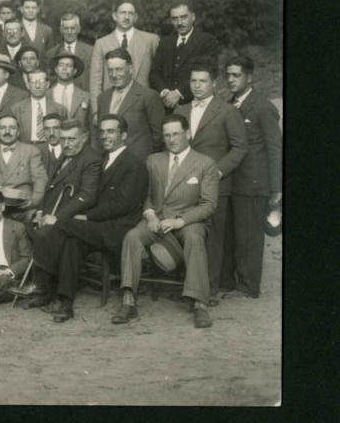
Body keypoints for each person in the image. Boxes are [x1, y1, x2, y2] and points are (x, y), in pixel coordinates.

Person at [30, 115, 147, 322]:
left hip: (118, 228)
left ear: (124, 135)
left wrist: (86, 216)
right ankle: (65, 303)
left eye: (111, 131)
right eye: (102, 132)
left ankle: (42, 283)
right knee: (71, 242)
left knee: (63, 225)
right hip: (96, 226)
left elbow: (123, 205)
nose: (105, 136)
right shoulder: (101, 158)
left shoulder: (134, 164)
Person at [115, 114, 219, 329]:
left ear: (187, 134)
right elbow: (147, 195)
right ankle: (128, 299)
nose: (171, 139)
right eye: (167, 135)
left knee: (194, 238)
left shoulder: (205, 163)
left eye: (176, 134)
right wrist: (150, 214)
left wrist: (181, 221)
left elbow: (209, 205)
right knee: (132, 236)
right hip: (158, 219)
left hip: (189, 221)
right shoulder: (153, 160)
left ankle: (200, 303)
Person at [176, 59, 247, 301]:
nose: (197, 85)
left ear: (214, 84)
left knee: (213, 239)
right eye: (193, 80)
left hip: (216, 184)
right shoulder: (181, 110)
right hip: (185, 185)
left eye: (202, 81)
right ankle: (188, 285)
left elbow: (239, 147)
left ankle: (208, 291)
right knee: (188, 233)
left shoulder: (227, 111)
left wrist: (217, 172)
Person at [23, 120, 102, 315]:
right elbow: (51, 188)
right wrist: (41, 211)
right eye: (63, 139)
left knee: (45, 234)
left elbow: (86, 197)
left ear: (84, 138)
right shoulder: (65, 155)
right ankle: (45, 289)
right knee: (30, 225)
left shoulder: (91, 160)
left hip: (78, 219)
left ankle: (42, 286)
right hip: (56, 213)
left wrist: (57, 218)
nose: (66, 144)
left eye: (71, 139)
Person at [220, 56, 282, 298]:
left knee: (249, 236)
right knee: (233, 233)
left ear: (249, 77)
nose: (231, 80)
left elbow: (275, 149)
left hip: (254, 182)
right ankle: (232, 281)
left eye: (237, 75)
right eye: (229, 75)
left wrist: (277, 188)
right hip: (233, 180)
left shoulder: (264, 107)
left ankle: (248, 286)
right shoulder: (228, 103)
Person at [93, 48, 164, 160]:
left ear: (130, 69)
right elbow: (99, 135)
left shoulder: (148, 96)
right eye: (110, 70)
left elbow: (158, 137)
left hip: (139, 163)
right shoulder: (102, 98)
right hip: (108, 164)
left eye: (119, 69)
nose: (114, 75)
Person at [88, 0, 159, 110]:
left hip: (142, 106)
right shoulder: (101, 43)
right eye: (122, 13)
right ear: (114, 16)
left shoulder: (151, 40)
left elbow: (158, 75)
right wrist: (97, 111)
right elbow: (95, 81)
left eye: (130, 13)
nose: (126, 17)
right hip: (111, 105)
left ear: (135, 17)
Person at [150, 1, 219, 110]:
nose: (179, 23)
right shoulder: (165, 42)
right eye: (174, 19)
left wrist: (178, 93)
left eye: (183, 17)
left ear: (193, 17)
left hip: (195, 103)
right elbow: (154, 73)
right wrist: (165, 92)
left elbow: (207, 72)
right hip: (165, 105)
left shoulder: (207, 41)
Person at [0, 114, 48, 221]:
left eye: (12, 128)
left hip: (23, 210)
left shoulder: (31, 151)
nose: (7, 131)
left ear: (18, 132)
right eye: (3, 128)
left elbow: (40, 181)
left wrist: (33, 203)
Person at [10, 69, 67, 145]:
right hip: (26, 150)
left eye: (41, 82)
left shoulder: (60, 109)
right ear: (28, 85)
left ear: (47, 84)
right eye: (33, 83)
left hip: (51, 150)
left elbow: (64, 135)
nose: (37, 86)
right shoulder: (16, 109)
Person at [46, 12, 93, 89]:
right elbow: (50, 80)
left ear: (78, 29)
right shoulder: (52, 53)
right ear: (61, 30)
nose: (69, 32)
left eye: (72, 28)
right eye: (66, 28)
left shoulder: (90, 51)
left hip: (83, 96)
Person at [49, 52, 89, 124]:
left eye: (69, 65)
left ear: (74, 71)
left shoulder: (85, 96)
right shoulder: (46, 95)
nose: (64, 68)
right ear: (56, 69)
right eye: (61, 65)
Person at [36, 113, 66, 178]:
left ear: (62, 129)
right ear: (43, 131)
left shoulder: (69, 149)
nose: (51, 133)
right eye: (47, 129)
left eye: (56, 128)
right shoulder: (37, 151)